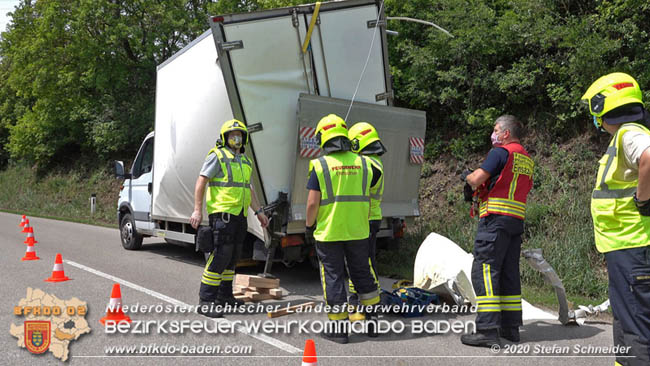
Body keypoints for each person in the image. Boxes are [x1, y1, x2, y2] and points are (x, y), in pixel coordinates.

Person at [581, 72, 650, 366]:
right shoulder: (628, 135)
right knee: (625, 315)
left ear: (603, 108)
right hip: (624, 246)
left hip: (633, 244)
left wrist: (643, 199)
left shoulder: (629, 134)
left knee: (636, 323)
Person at [305, 114, 381, 343]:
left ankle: (339, 329)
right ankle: (373, 322)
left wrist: (309, 226)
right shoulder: (365, 163)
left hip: (330, 232)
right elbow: (374, 186)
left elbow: (312, 203)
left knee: (334, 277)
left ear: (323, 137)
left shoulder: (320, 165)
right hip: (358, 231)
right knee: (362, 274)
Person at [460, 115, 534, 347]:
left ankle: (487, 330)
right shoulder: (526, 159)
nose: (493, 134)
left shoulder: (500, 152)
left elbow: (477, 178)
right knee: (508, 272)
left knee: (485, 271)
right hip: (515, 221)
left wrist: (466, 176)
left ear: (505, 134)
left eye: (495, 130)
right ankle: (510, 328)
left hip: (495, 220)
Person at [189, 119, 269, 318]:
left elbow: (248, 190)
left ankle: (224, 297)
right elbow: (201, 182)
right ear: (225, 138)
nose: (237, 138)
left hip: (239, 217)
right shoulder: (217, 156)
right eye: (233, 135)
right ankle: (206, 301)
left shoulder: (245, 161)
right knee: (220, 257)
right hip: (222, 216)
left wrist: (259, 212)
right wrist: (197, 210)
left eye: (240, 135)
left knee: (233, 259)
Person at [346, 122, 386, 318]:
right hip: (369, 218)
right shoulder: (374, 162)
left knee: (366, 263)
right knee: (358, 262)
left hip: (366, 219)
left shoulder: (368, 165)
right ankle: (356, 300)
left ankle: (373, 303)